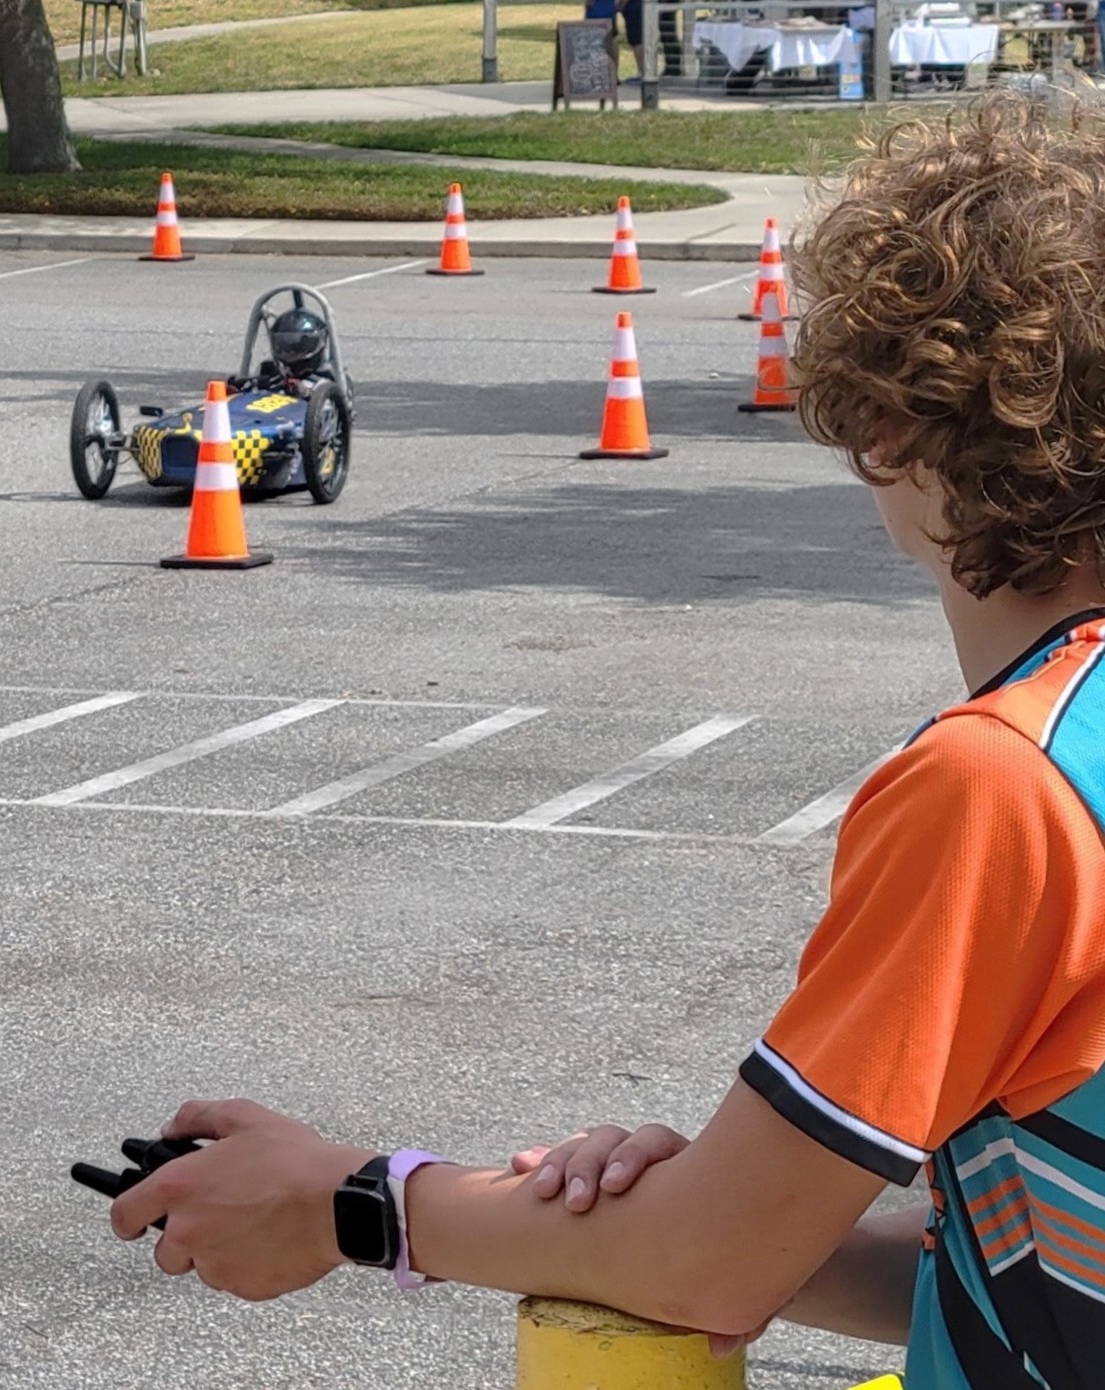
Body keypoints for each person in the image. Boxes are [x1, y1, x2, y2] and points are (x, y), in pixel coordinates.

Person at [103, 96, 1105, 1390]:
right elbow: (1019, 1264)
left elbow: (711, 1270)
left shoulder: (1003, 786)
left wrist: (352, 1201)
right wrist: (719, 1207)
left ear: (884, 425)